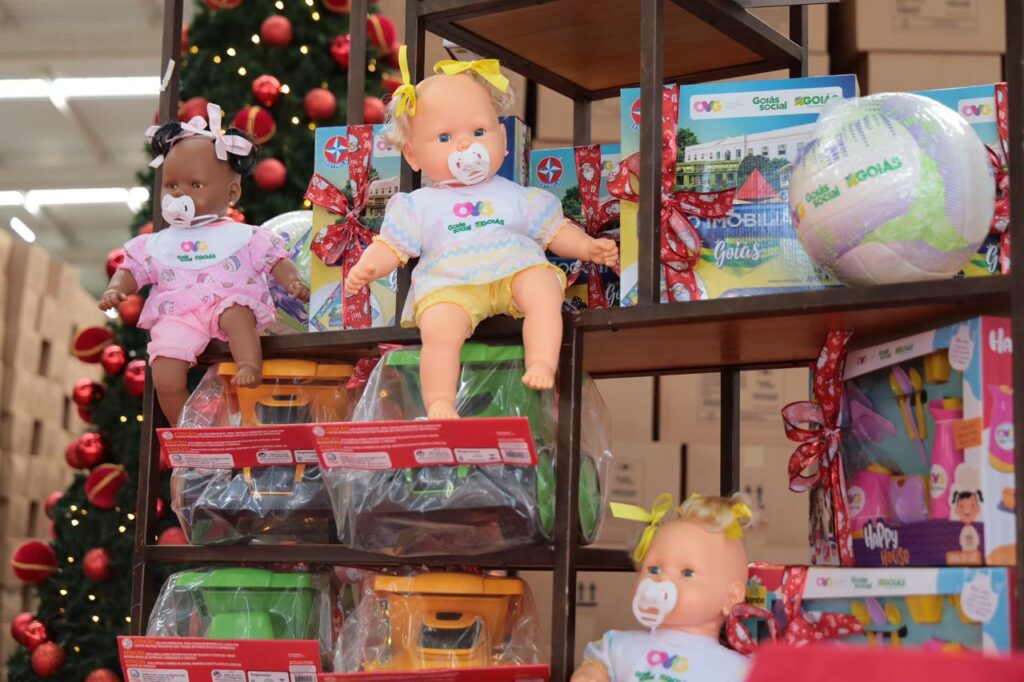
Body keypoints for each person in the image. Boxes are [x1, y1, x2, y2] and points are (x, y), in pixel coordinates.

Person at [344, 48, 618, 419]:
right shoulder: (419, 204)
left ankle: (541, 361)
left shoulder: (516, 195)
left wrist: (587, 247)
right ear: (412, 155)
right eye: (444, 137)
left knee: (543, 290)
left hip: (513, 268)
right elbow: (392, 245)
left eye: (478, 132)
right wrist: (369, 268)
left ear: (503, 140)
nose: (466, 146)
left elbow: (554, 230)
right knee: (439, 328)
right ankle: (440, 400)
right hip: (451, 282)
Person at [100, 103, 309, 424]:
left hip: (224, 303)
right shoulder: (159, 242)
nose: (178, 195)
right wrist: (116, 288)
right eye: (171, 186)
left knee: (238, 313)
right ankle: (186, 431)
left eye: (195, 185)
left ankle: (249, 365)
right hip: (178, 314)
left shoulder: (243, 236)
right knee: (165, 375)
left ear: (232, 193)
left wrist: (292, 281)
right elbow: (133, 268)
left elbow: (275, 258)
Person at [572, 493, 754, 682]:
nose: (662, 579)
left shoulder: (738, 670)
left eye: (687, 573)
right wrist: (588, 675)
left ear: (731, 598)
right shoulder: (620, 648)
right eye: (654, 569)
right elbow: (594, 669)